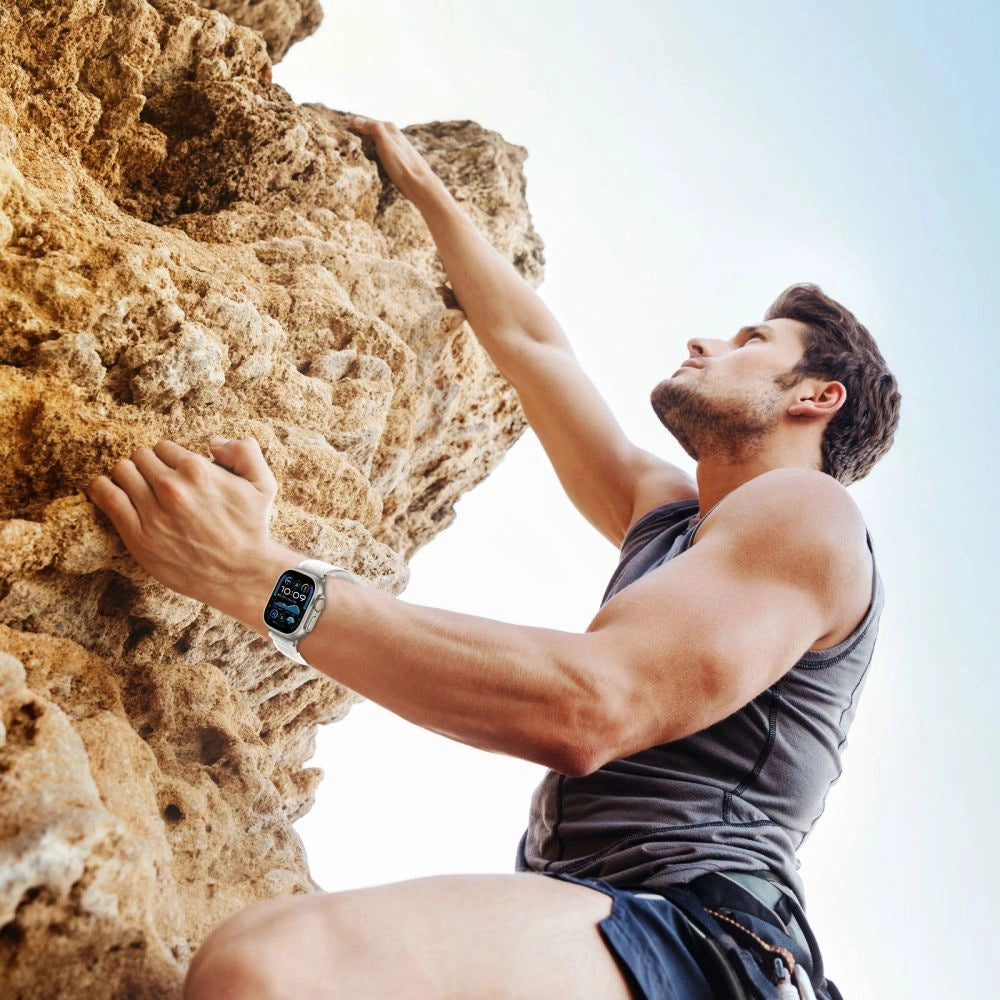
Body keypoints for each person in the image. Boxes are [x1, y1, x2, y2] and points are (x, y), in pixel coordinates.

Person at [83, 115, 900, 1000]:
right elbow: (532, 347)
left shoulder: (809, 512)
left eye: (752, 341)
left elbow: (592, 704)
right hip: (607, 916)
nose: (706, 343)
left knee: (273, 966)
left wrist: (260, 578)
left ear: (817, 396)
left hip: (713, 946)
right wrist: (426, 189)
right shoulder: (667, 513)